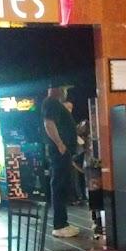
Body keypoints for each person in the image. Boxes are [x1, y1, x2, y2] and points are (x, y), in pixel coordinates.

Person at [42, 85, 80, 238]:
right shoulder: (51, 102)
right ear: (57, 90)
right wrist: (60, 144)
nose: (66, 92)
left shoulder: (54, 104)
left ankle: (63, 223)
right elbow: (48, 123)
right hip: (60, 152)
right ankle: (60, 225)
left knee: (62, 185)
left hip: (62, 151)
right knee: (59, 185)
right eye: (64, 89)